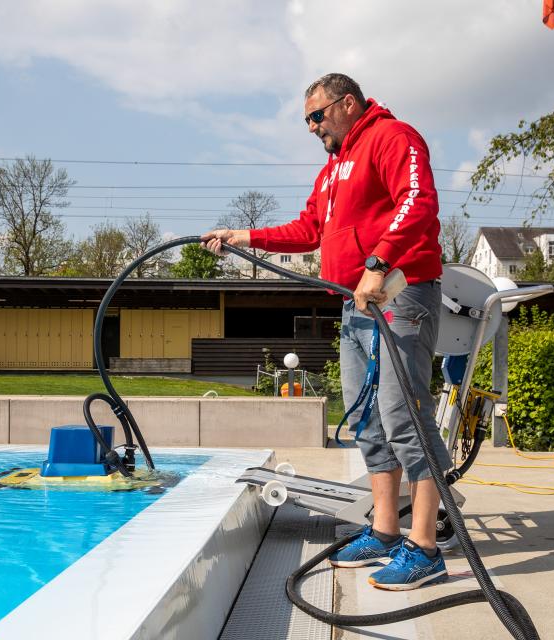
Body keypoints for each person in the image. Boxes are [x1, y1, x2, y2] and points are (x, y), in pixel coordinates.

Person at [202, 73, 452, 591]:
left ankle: (425, 546)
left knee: (404, 418)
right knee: (367, 421)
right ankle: (384, 531)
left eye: (317, 116)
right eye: (306, 121)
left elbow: (417, 202)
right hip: (353, 306)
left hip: (399, 295)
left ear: (347, 103)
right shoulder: (333, 169)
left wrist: (379, 262)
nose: (312, 128)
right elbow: (308, 229)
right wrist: (241, 235)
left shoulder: (392, 137)